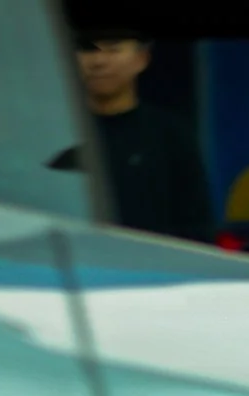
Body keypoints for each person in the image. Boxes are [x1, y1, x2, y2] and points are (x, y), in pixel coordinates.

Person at [50, 26, 215, 242]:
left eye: (113, 49)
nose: (99, 61)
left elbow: (197, 227)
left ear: (141, 59)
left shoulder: (171, 137)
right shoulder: (56, 134)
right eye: (87, 49)